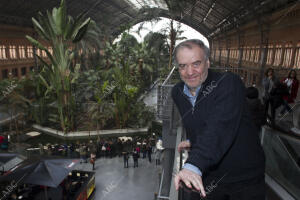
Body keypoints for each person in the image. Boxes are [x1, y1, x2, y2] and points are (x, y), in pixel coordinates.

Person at [171, 39, 265, 200]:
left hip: (244, 177)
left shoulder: (228, 83)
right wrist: (194, 142)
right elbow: (200, 125)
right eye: (183, 66)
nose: (190, 71)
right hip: (209, 174)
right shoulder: (178, 92)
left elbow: (220, 125)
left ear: (207, 63)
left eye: (196, 64)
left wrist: (193, 165)